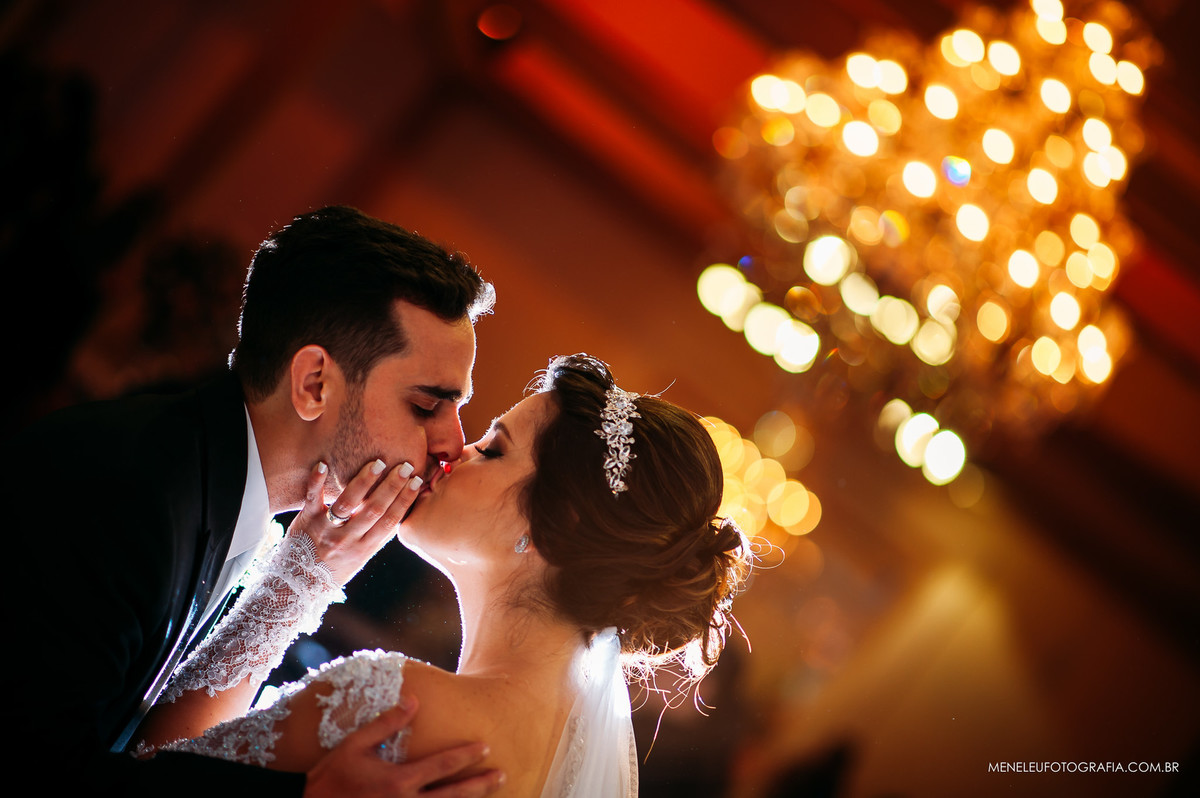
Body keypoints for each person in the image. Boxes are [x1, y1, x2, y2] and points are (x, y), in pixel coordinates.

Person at [10, 206, 505, 796]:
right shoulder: (127, 493)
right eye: (426, 406)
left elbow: (149, 747)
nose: (453, 442)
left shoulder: (220, 489)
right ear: (314, 383)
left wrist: (306, 575)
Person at [136, 354, 752, 797]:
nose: (452, 451)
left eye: (493, 448)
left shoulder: (394, 709)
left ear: (555, 522)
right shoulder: (562, 763)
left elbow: (145, 769)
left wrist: (295, 582)